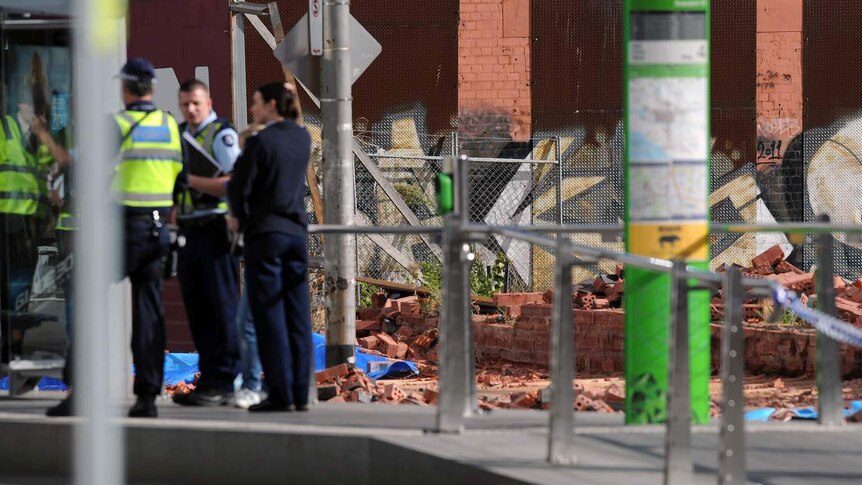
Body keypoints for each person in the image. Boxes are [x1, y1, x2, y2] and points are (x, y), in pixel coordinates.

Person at [47, 58, 184, 418]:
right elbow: (179, 178)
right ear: (152, 89)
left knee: (89, 308)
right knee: (150, 314)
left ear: (125, 90)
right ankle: (147, 398)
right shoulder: (169, 126)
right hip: (156, 230)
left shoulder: (117, 124)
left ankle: (80, 391)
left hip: (119, 230)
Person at [227, 82, 312, 412]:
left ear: (272, 104)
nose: (253, 109)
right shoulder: (302, 137)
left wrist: (238, 220)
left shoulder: (261, 142)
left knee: (269, 316)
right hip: (296, 235)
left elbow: (239, 187)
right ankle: (301, 392)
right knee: (298, 315)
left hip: (266, 236)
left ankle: (279, 393)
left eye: (257, 103)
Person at [185, 121, 267, 409]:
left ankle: (249, 384)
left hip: (260, 247)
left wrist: (192, 181)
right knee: (249, 321)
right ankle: (249, 383)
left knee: (246, 321)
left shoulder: (261, 167)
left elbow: (236, 189)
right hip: (256, 245)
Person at [171, 79, 241, 407]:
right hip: (189, 230)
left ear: (209, 102)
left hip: (214, 229)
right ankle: (209, 380)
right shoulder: (182, 135)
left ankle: (225, 381)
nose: (191, 110)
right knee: (198, 308)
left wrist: (190, 180)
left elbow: (234, 183)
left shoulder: (221, 135)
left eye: (196, 104)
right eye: (185, 104)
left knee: (220, 306)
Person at [0, 112, 40, 364]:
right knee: (12, 287)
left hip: (28, 223)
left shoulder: (38, 135)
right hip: (8, 219)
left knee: (20, 289)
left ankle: (13, 346)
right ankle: (9, 346)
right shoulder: (5, 128)